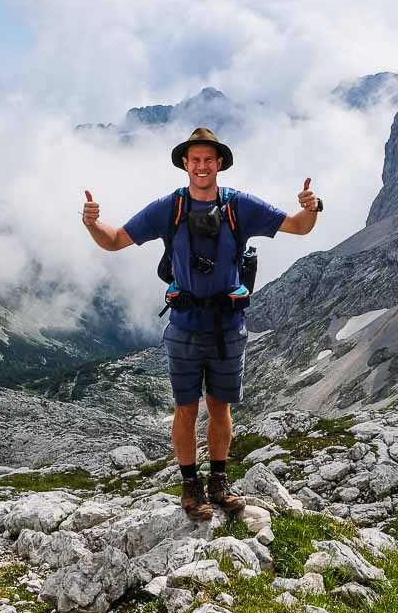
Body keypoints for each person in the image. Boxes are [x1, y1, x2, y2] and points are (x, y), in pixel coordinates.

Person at [81, 126, 323, 520]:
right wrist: (92, 223)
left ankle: (218, 483)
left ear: (220, 163)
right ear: (184, 163)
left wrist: (312, 207)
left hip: (227, 325)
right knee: (186, 408)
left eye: (209, 159)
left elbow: (297, 226)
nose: (202, 166)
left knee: (220, 407)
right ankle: (191, 487)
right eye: (195, 159)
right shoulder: (168, 208)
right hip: (186, 324)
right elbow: (114, 240)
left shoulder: (238, 205)